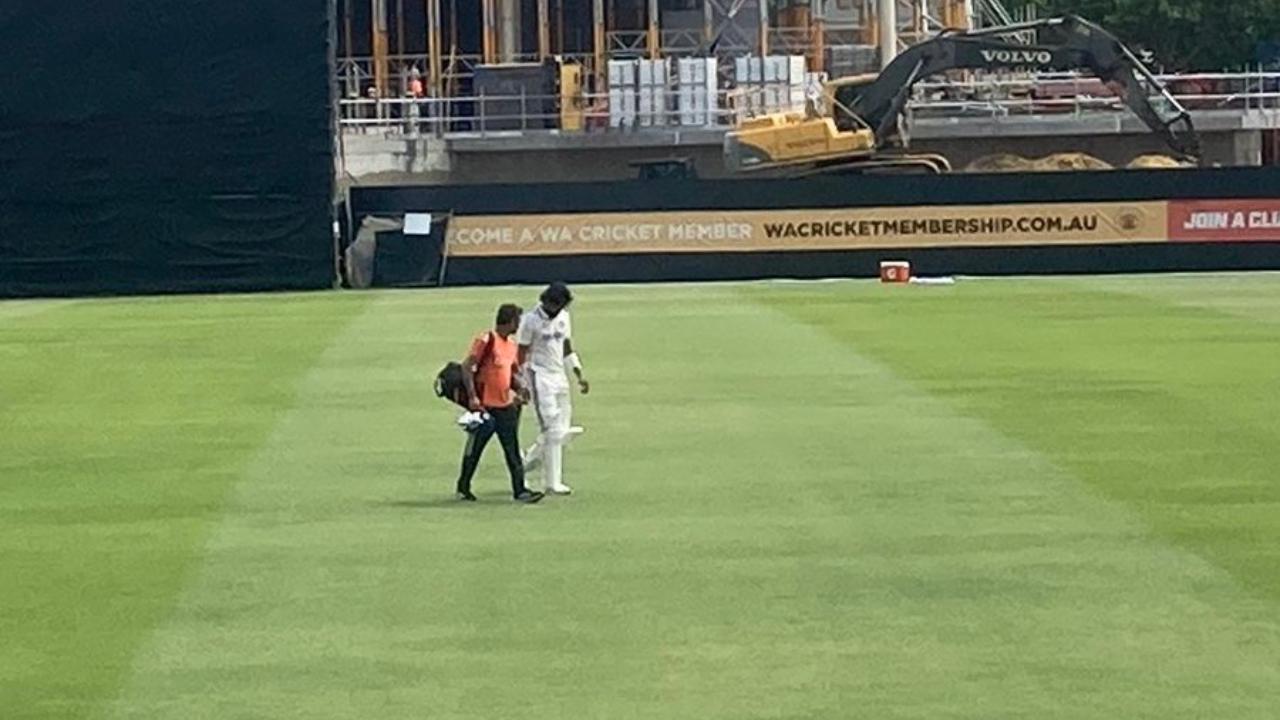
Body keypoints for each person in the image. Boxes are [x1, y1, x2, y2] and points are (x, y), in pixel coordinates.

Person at [456, 304, 544, 504]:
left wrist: (519, 388)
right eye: (517, 321)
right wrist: (472, 397)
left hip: (505, 406)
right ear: (511, 321)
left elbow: (508, 375)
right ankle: (463, 486)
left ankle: (520, 490)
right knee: (475, 449)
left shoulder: (510, 346)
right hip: (485, 406)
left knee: (512, 450)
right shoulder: (487, 340)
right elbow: (467, 367)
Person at [517, 282, 590, 495]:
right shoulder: (530, 321)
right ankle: (551, 482)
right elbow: (521, 352)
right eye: (555, 305)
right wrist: (521, 382)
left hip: (560, 376)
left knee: (561, 431)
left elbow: (566, 347)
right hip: (539, 376)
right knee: (551, 429)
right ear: (546, 301)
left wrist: (577, 372)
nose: (557, 310)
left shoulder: (564, 317)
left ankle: (525, 462)